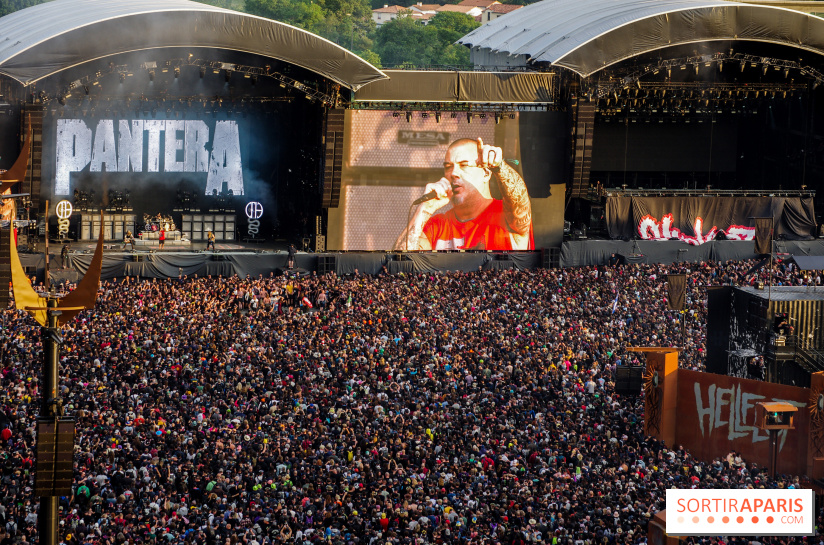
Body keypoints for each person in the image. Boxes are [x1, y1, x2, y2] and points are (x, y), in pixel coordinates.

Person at [394, 137, 533, 251]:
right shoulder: (437, 225)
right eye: (448, 167)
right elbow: (399, 264)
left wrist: (499, 167)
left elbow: (519, 198)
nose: (453, 173)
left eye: (464, 165)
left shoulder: (505, 214)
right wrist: (424, 209)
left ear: (486, 173)